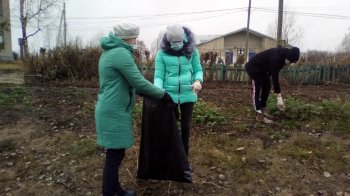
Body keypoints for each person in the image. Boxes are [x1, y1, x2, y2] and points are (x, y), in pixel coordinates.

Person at [95, 21, 172, 196]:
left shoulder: (109, 51)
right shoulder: (120, 53)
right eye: (134, 37)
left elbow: (129, 83)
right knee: (114, 156)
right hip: (113, 110)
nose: (135, 41)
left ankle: (115, 190)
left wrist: (144, 92)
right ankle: (110, 192)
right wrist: (162, 94)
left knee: (116, 154)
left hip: (111, 107)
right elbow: (138, 82)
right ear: (127, 37)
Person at [154, 24, 203, 163]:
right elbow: (159, 75)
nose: (177, 45)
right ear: (168, 41)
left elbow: (198, 69)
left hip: (189, 94)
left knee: (185, 126)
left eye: (179, 42)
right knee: (170, 126)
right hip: (169, 96)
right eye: (174, 43)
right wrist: (159, 91)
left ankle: (183, 157)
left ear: (184, 39)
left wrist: (198, 81)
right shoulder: (162, 54)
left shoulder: (192, 51)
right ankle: (170, 154)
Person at [245, 47, 300, 123]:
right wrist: (279, 97)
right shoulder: (276, 57)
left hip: (263, 69)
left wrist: (278, 96)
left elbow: (273, 72)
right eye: (291, 62)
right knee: (256, 90)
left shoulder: (283, 58)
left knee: (267, 86)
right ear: (289, 57)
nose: (290, 64)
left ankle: (263, 109)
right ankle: (258, 114)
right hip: (253, 67)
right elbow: (275, 77)